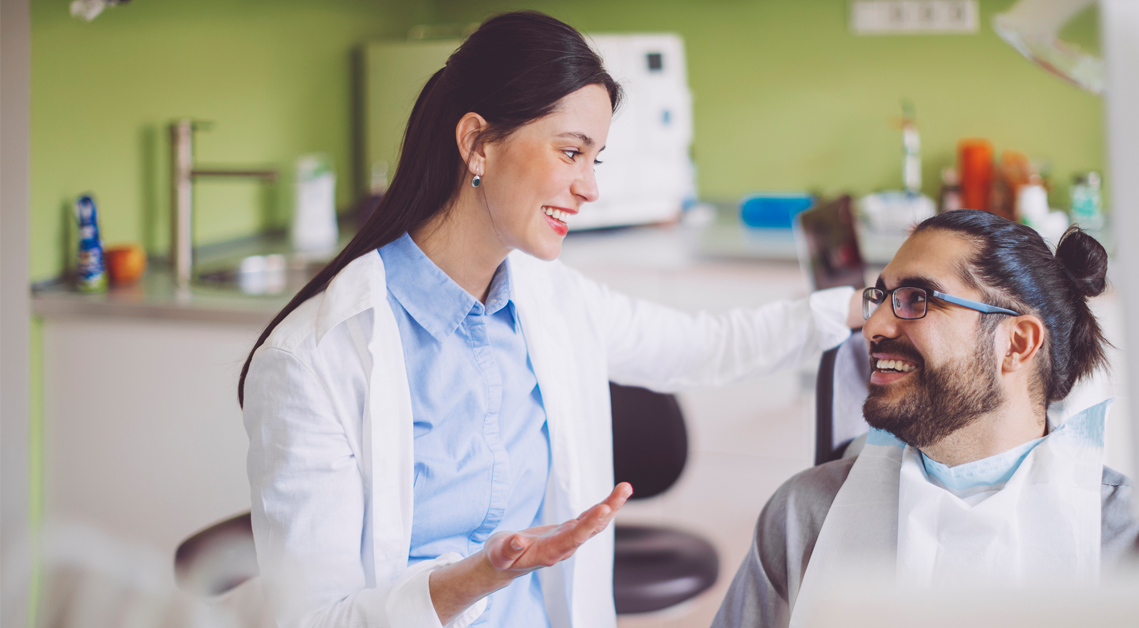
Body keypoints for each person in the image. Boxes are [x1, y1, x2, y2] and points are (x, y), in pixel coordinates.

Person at [238, 11, 858, 628]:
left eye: (596, 160)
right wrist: (479, 577)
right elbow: (316, 620)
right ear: (478, 143)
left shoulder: (552, 301)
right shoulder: (314, 358)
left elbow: (706, 347)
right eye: (570, 152)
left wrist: (861, 306)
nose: (589, 188)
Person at [711, 210, 1139, 628]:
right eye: (879, 298)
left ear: (1018, 343)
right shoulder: (802, 517)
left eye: (916, 299)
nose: (875, 325)